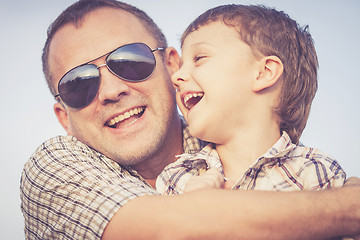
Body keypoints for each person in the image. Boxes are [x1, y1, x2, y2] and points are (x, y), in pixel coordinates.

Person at [19, 0, 360, 239]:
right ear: (64, 116)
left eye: (130, 61)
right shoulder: (54, 167)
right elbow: (176, 231)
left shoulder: (244, 145)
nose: (110, 91)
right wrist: (346, 208)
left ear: (171, 66)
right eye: (79, 84)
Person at [156, 4, 346, 195]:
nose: (176, 76)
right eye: (181, 65)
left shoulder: (316, 172)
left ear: (264, 73)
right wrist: (189, 206)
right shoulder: (176, 178)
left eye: (199, 58)